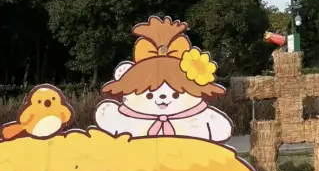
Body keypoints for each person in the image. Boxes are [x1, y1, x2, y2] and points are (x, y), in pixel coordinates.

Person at [94, 15, 232, 142]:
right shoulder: (129, 119)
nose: (163, 99)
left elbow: (220, 129)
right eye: (148, 95)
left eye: (176, 94)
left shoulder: (198, 118)